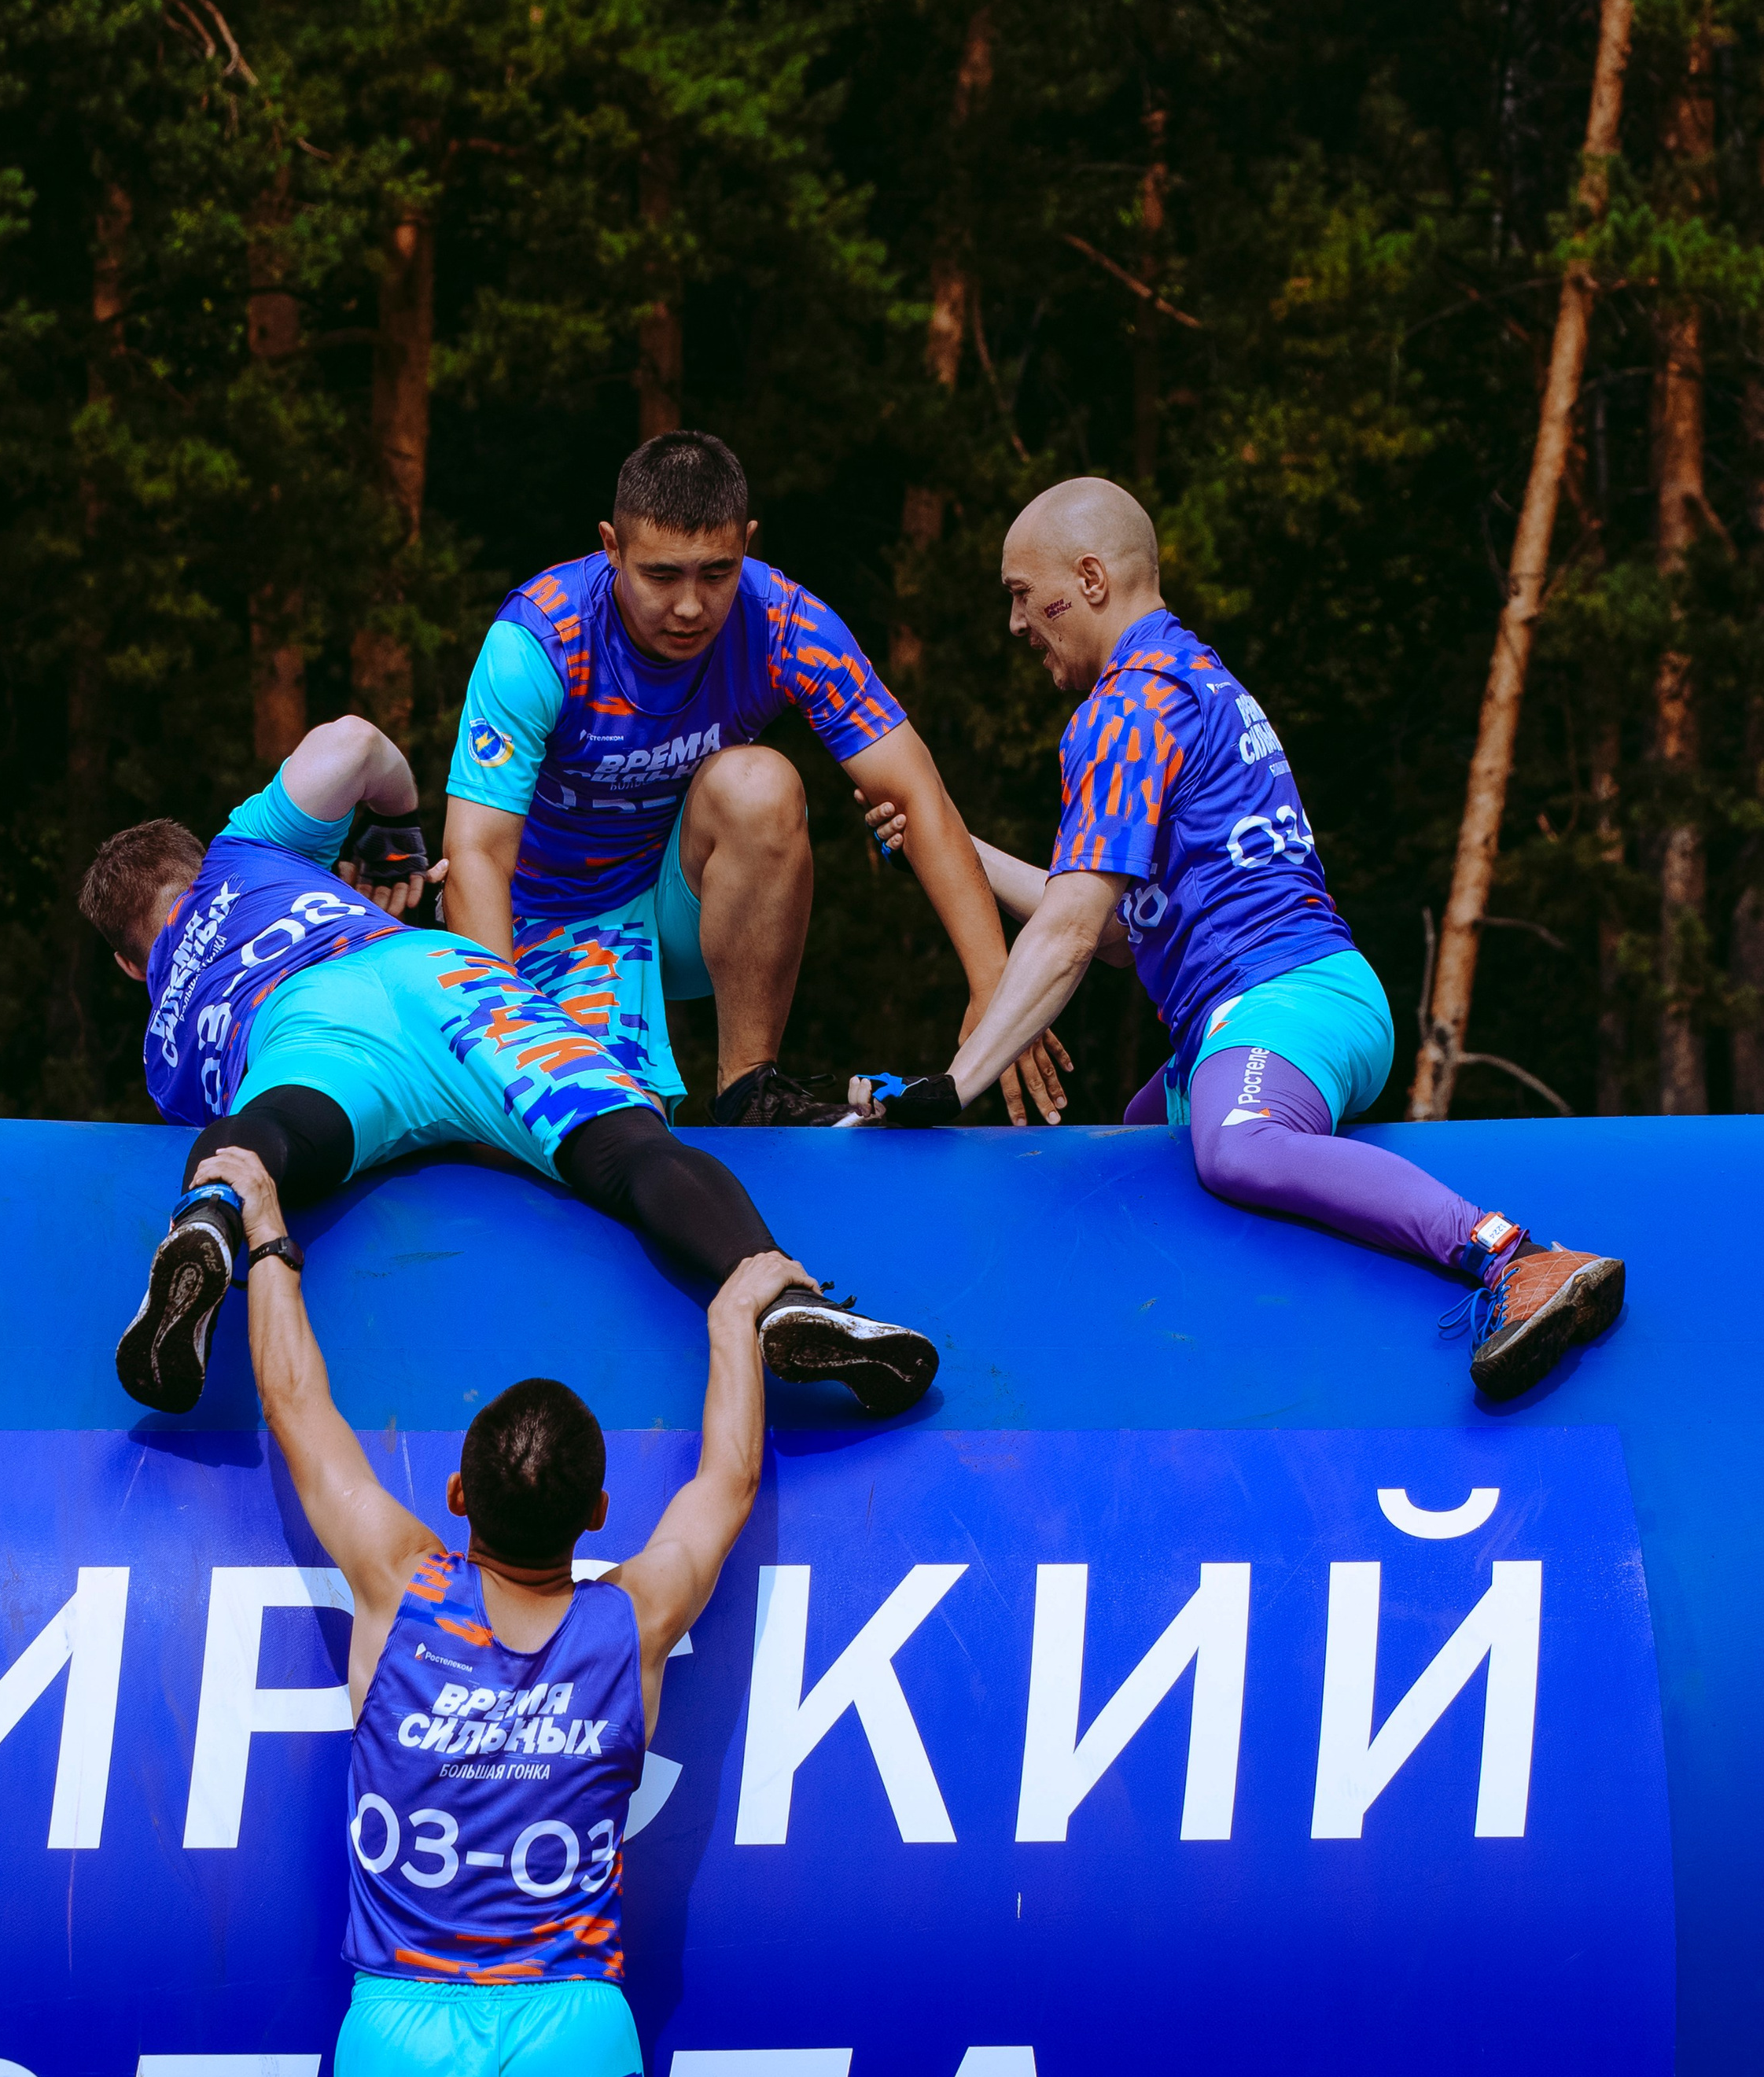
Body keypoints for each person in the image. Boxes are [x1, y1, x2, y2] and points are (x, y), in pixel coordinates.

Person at [185, 1143, 796, 2077]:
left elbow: (294, 1405)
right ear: (593, 1514)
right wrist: (733, 1314)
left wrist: (269, 1234)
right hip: (573, 2038)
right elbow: (730, 1475)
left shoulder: (400, 1590)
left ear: (456, 1489)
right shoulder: (629, 1617)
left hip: (406, 2036)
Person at [849, 477, 1624, 1402]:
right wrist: (948, 842)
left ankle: (1512, 1255)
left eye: (1023, 594)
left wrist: (954, 1083)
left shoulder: (1130, 708)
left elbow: (1063, 935)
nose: (1016, 623)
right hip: (1279, 1008)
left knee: (1237, 1144)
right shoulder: (1186, 679)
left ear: (1090, 578)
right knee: (1136, 1152)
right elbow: (1107, 935)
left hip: (1285, 1002)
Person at [78, 714, 936, 1419]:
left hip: (307, 1032)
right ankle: (775, 1287)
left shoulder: (164, 1046)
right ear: (192, 866)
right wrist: (394, 832)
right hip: (438, 976)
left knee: (256, 1134)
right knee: (629, 1146)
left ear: (127, 965)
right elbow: (349, 742)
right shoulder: (244, 851)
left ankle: (207, 1219)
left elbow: (241, 1112)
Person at [436, 426, 1070, 1129]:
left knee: (760, 784)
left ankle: (750, 1091)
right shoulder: (539, 641)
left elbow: (915, 793)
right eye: (661, 575)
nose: (689, 606)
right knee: (597, 1130)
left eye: (716, 573)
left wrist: (995, 987)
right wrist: (507, 1047)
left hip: (685, 906)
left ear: (749, 544)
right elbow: (477, 855)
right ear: (612, 548)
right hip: (544, 920)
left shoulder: (785, 623)